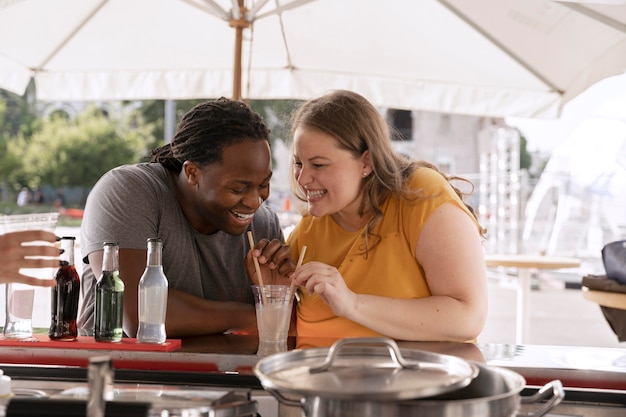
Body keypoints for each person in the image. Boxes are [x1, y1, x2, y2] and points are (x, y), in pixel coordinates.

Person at [77, 98, 295, 338]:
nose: (255, 201)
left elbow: (289, 330)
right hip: (120, 373)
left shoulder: (264, 226)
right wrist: (263, 315)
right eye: (237, 189)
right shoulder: (128, 190)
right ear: (192, 173)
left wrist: (279, 299)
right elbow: (141, 315)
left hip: (228, 375)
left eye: (264, 184)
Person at [287, 90, 488, 342]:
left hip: (414, 377)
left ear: (366, 162)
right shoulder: (308, 229)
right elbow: (283, 327)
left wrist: (353, 304)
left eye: (318, 165)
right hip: (319, 377)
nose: (303, 178)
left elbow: (468, 317)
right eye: (298, 163)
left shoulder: (421, 196)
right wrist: (275, 284)